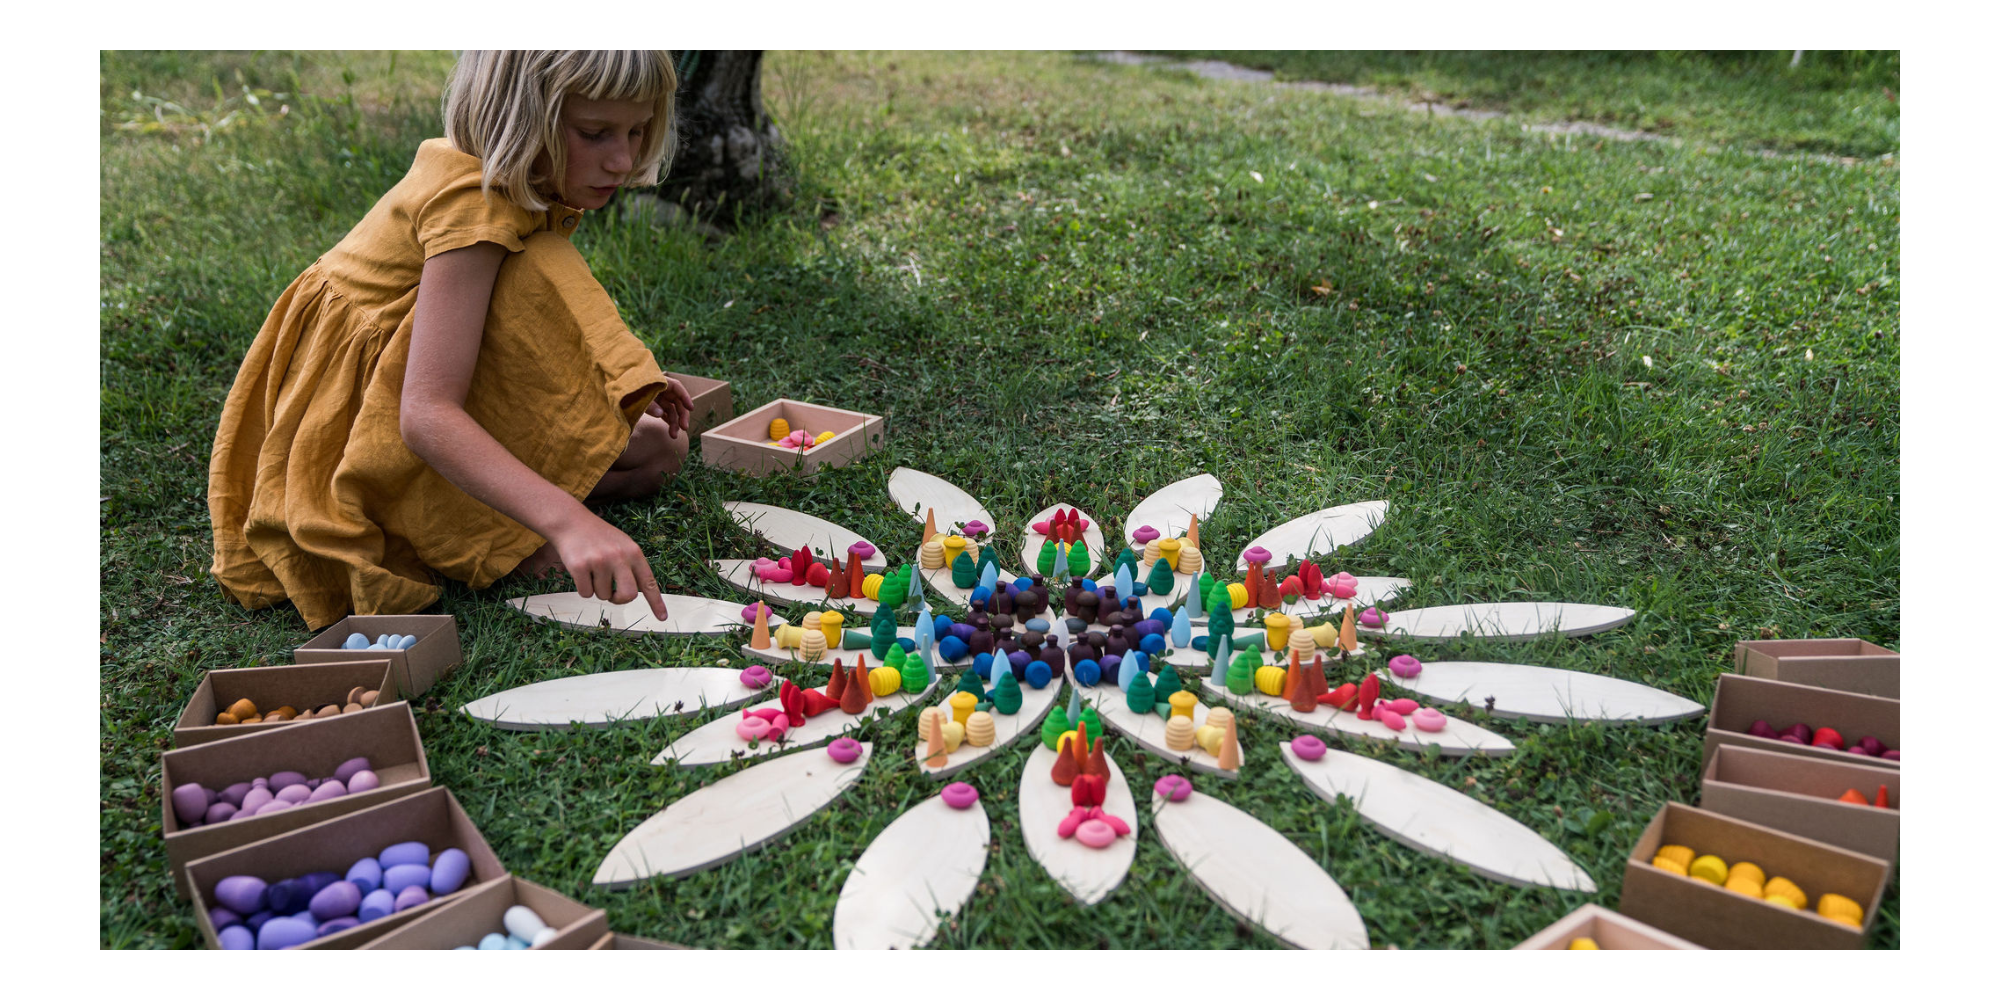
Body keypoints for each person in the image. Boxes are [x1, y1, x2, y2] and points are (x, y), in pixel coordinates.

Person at [208, 50, 691, 630]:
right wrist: (569, 521)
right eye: (595, 133)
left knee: (660, 452)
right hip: (359, 424)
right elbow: (425, 413)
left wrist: (617, 377)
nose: (623, 159)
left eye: (637, 131)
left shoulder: (518, 183)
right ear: (520, 116)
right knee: (546, 276)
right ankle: (487, 531)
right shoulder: (472, 209)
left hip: (409, 377)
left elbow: (514, 319)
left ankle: (502, 516)